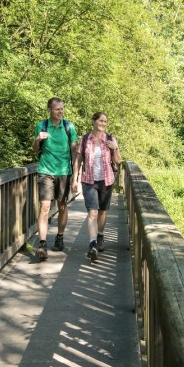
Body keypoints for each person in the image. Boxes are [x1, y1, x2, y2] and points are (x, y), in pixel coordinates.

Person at [72, 112, 121, 260]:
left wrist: (116, 148)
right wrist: (75, 179)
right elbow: (78, 161)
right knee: (92, 211)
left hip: (106, 180)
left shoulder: (110, 139)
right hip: (89, 180)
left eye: (105, 121)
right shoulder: (85, 139)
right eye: (100, 120)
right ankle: (92, 244)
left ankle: (100, 235)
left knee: (102, 211)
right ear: (93, 121)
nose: (103, 123)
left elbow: (118, 161)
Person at [33, 97, 77, 260]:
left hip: (64, 171)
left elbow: (74, 151)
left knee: (62, 205)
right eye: (57, 109)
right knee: (44, 206)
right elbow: (35, 149)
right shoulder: (42, 125)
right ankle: (42, 244)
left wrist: (75, 175)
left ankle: (59, 237)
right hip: (45, 170)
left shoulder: (69, 126)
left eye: (62, 109)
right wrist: (38, 139)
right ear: (49, 110)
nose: (61, 111)